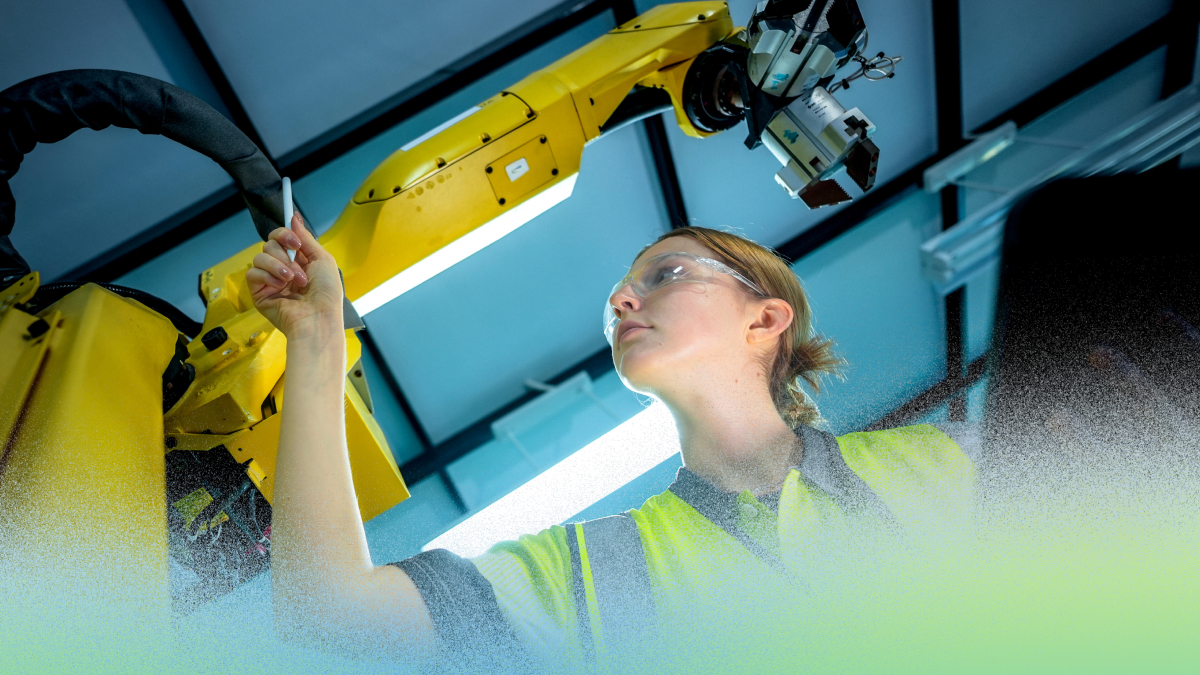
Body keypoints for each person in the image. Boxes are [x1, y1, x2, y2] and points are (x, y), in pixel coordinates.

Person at [248, 214, 979, 670]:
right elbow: (330, 615)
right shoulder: (591, 569)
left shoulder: (956, 458)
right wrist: (316, 342)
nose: (624, 299)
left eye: (667, 275)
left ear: (764, 321)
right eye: (620, 297)